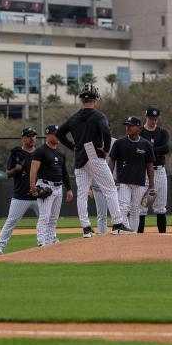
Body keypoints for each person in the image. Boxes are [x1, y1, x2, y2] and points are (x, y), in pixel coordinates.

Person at [56, 83, 132, 235]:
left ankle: (86, 228)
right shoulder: (98, 116)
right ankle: (117, 224)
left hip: (79, 156)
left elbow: (59, 134)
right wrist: (105, 150)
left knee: (82, 193)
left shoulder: (74, 118)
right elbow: (105, 131)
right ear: (95, 98)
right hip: (93, 153)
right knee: (110, 188)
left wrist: (73, 146)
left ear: (82, 100)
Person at [0, 128, 40, 255]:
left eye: (34, 136)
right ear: (23, 138)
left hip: (37, 195)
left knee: (46, 220)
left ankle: (48, 243)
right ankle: (0, 246)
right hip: (20, 196)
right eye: (29, 136)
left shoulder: (39, 153)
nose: (32, 138)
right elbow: (8, 173)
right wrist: (17, 169)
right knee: (11, 221)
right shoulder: (16, 154)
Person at [29, 125, 73, 247]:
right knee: (44, 216)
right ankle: (41, 241)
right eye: (55, 134)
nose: (58, 136)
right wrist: (32, 186)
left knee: (54, 217)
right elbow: (33, 169)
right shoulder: (41, 151)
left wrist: (69, 189)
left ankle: (50, 240)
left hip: (58, 188)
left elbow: (64, 172)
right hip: (45, 186)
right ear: (48, 135)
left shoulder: (60, 152)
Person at [109, 116, 155, 232]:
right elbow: (111, 162)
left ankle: (133, 234)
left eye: (131, 125)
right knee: (123, 208)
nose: (128, 128)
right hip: (123, 181)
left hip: (140, 182)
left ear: (139, 127)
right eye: (127, 125)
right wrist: (110, 178)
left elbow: (150, 166)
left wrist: (152, 185)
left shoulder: (146, 144)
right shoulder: (119, 143)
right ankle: (124, 232)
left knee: (135, 210)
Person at [138, 105, 171, 233]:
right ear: (146, 117)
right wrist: (156, 151)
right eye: (152, 118)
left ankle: (162, 238)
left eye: (156, 118)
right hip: (143, 172)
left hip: (159, 171)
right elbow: (137, 150)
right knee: (141, 208)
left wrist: (147, 149)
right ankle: (139, 238)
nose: (154, 121)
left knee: (160, 208)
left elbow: (166, 149)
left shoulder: (162, 132)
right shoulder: (140, 132)